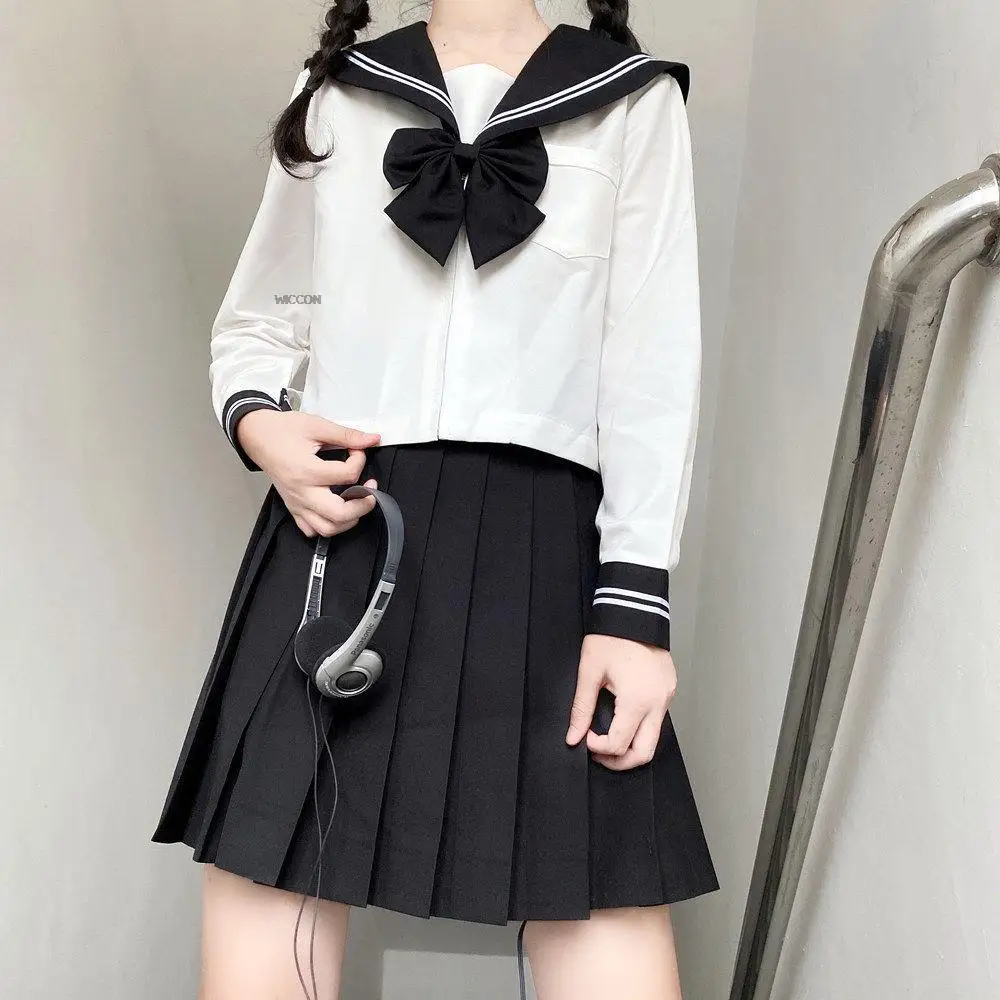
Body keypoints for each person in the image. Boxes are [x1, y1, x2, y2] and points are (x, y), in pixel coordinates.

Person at [151, 2, 719, 998]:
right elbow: (264, 319)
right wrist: (261, 426)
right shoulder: (336, 92)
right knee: (268, 873)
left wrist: (635, 610)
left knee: (600, 888)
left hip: (545, 549)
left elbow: (651, 368)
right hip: (346, 531)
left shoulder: (630, 102)